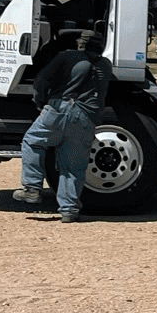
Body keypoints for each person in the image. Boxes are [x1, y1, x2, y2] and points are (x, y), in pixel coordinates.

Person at [13, 29, 113, 222]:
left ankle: (32, 188)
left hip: (59, 110)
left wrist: (41, 101)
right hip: (87, 117)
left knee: (32, 142)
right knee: (73, 166)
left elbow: (41, 80)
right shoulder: (105, 65)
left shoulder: (68, 57)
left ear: (80, 44)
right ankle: (68, 210)